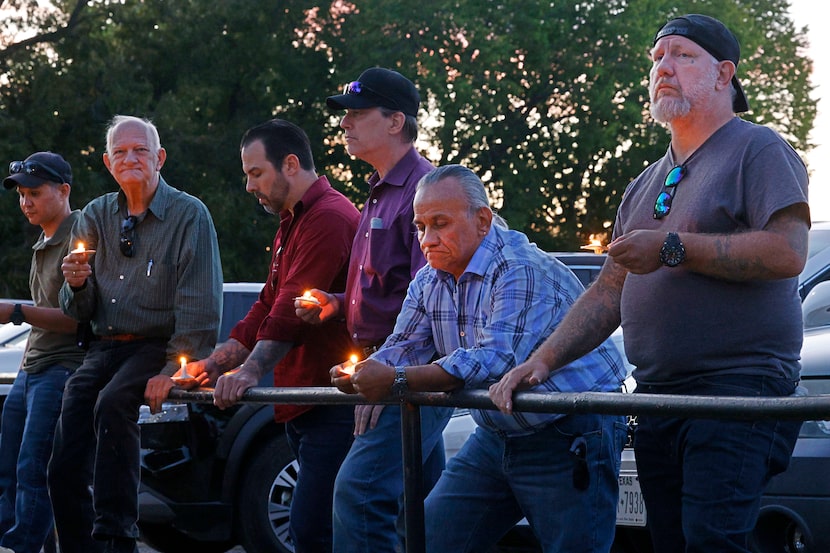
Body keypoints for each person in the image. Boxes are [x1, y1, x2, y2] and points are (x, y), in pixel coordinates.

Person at [490, 14, 809, 553]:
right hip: (660, 395)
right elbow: (609, 291)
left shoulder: (757, 149)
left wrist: (669, 247)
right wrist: (543, 361)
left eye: (682, 55)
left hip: (738, 389)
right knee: (670, 543)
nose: (663, 67)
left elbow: (787, 252)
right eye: (657, 58)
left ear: (723, 74)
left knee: (712, 541)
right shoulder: (644, 182)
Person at [333, 164, 627, 553]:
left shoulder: (519, 266)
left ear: (483, 220)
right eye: (420, 227)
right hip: (497, 431)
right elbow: (403, 344)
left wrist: (396, 379)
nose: (427, 239)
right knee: (431, 539)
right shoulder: (428, 278)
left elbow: (493, 359)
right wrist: (361, 372)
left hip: (569, 427)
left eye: (440, 223)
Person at [181, 118, 359, 552]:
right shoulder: (292, 221)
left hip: (332, 402)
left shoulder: (330, 216)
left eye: (255, 173)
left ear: (291, 164)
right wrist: (216, 363)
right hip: (304, 401)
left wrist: (251, 370)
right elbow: (266, 304)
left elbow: (289, 311)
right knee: (314, 527)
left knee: (316, 529)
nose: (248, 186)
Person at [47, 115, 223, 553]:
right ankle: (75, 544)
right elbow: (78, 311)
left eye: (140, 150)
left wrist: (172, 368)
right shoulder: (94, 215)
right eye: (121, 152)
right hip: (102, 345)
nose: (131, 159)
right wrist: (75, 284)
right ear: (108, 163)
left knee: (112, 405)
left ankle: (116, 536)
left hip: (153, 345)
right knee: (65, 448)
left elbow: (200, 307)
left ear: (159, 158)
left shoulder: (189, 215)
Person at [295, 67, 453, 552]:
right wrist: (337, 303)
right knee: (420, 511)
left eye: (357, 114)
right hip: (388, 367)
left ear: (395, 121)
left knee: (360, 492)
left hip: (406, 370)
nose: (345, 124)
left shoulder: (426, 192)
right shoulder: (380, 190)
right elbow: (391, 289)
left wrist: (386, 370)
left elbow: (432, 300)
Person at [0, 153, 85, 553]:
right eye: (21, 194)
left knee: (35, 469)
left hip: (61, 368)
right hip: (31, 369)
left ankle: (23, 546)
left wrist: (15, 311)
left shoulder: (80, 235)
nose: (25, 202)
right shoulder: (44, 239)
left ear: (63, 191)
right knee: (9, 469)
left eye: (34, 192)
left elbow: (78, 318)